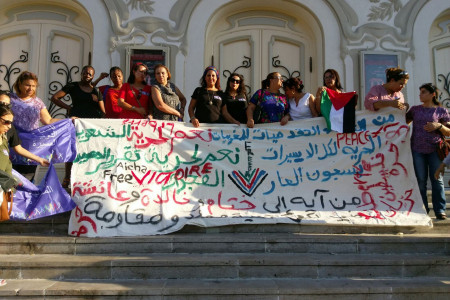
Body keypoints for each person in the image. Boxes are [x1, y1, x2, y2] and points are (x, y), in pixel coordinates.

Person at [51, 65, 104, 188]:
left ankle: (86, 177)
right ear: (81, 73)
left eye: (90, 74)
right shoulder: (73, 86)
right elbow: (55, 97)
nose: (87, 75)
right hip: (76, 122)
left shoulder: (96, 90)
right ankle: (67, 176)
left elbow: (103, 111)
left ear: (93, 76)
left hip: (91, 124)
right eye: (85, 73)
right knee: (72, 150)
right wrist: (69, 108)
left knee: (89, 150)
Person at [406, 83, 449, 220]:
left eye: (423, 92)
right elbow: (402, 122)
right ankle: (422, 209)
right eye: (420, 92)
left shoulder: (441, 111)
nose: (420, 94)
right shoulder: (415, 110)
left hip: (435, 149)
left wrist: (439, 125)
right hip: (417, 150)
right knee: (420, 181)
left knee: (437, 180)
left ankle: (440, 210)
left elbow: (449, 131)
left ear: (432, 94)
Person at [9, 72, 58, 179]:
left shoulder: (38, 102)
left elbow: (48, 120)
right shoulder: (9, 99)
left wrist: (69, 120)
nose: (31, 88)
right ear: (19, 84)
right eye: (27, 85)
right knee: (10, 178)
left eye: (33, 86)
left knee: (27, 178)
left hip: (31, 147)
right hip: (11, 144)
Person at [0, 91, 49, 168]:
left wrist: (39, 159)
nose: (4, 107)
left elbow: (18, 148)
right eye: (2, 104)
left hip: (6, 173)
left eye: (8, 105)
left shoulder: (9, 128)